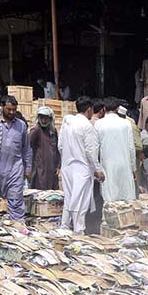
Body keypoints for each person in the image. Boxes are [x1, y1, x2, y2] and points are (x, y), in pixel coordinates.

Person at [59, 96, 103, 234]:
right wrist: (98, 170)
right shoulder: (87, 126)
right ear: (89, 110)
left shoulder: (67, 123)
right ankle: (78, 231)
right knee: (80, 200)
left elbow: (60, 146)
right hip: (81, 167)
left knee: (69, 197)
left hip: (67, 166)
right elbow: (90, 151)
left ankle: (65, 226)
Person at [95, 97, 136, 203]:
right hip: (124, 165)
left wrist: (97, 168)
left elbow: (95, 148)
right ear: (118, 109)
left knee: (110, 199)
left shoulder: (99, 124)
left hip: (108, 166)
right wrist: (133, 168)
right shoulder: (126, 123)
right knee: (126, 199)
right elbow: (131, 148)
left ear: (104, 109)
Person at [28, 106, 60, 190]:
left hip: (51, 167)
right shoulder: (35, 131)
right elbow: (28, 148)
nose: (43, 120)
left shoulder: (53, 131)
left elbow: (56, 149)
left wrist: (58, 166)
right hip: (40, 168)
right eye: (41, 118)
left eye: (46, 118)